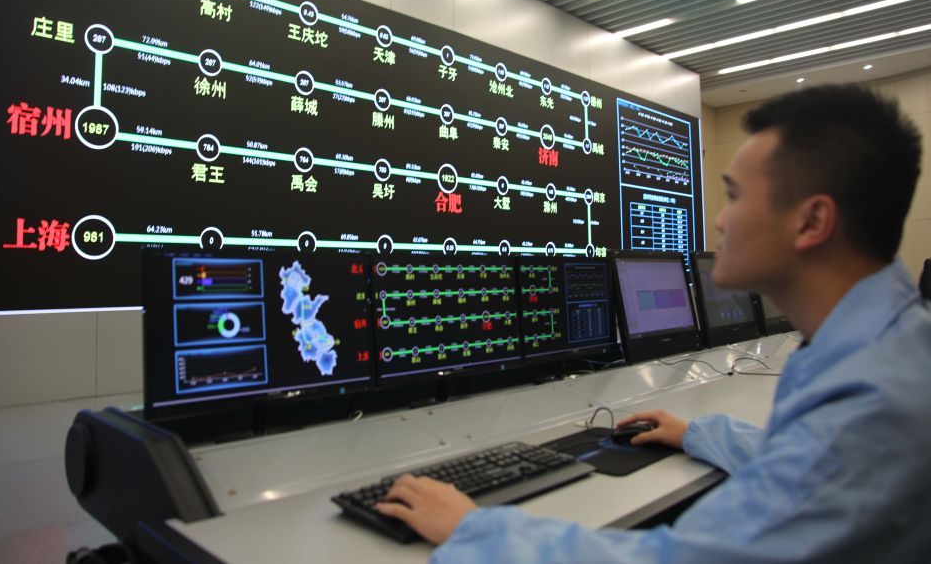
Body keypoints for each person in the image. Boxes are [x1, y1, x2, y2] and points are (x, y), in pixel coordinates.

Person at [375, 84, 931, 562]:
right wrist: (698, 433)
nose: (720, 219)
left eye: (735, 196)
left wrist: (472, 529)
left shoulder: (871, 402)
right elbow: (805, 472)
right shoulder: (889, 350)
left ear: (812, 221)